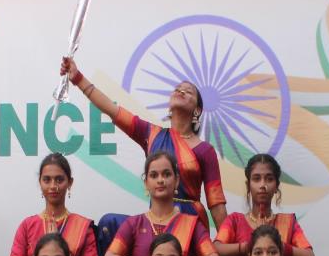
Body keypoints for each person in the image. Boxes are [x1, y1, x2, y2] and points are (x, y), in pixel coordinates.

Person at [60, 56, 227, 232]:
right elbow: (111, 109)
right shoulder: (151, 134)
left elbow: (216, 202)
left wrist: (225, 243)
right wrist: (77, 78)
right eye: (178, 89)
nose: (181, 91)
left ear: (197, 110)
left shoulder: (205, 151)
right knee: (109, 223)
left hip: (189, 226)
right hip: (157, 223)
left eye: (188, 91)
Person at [101, 151, 222, 256]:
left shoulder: (192, 224)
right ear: (146, 182)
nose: (160, 180)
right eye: (154, 175)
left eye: (166, 174)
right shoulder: (134, 224)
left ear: (176, 180)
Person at [214, 154, 317, 256]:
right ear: (248, 185)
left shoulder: (288, 223)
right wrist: (249, 247)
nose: (263, 185)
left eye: (269, 179)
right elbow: (215, 249)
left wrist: (278, 246)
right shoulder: (235, 221)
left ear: (276, 186)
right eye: (256, 179)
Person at [4, 153, 100, 256]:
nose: (53, 186)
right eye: (47, 180)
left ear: (70, 183)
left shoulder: (82, 226)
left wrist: (64, 251)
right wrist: (38, 255)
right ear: (40, 182)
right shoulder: (28, 225)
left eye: (59, 179)